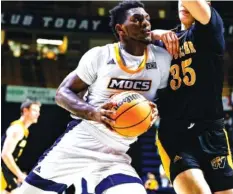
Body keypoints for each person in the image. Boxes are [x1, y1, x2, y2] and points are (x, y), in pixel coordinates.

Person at [17, 1, 176, 194]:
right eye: (137, 19)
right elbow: (62, 93)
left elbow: (167, 98)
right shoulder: (100, 55)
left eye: (147, 18)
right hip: (76, 147)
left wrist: (156, 109)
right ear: (121, 29)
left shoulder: (162, 60)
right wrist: (95, 113)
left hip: (115, 155)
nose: (145, 23)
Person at [155, 0, 233, 193]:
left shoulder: (210, 28)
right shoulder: (162, 41)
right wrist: (154, 33)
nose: (184, 3)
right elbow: (129, 37)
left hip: (212, 132)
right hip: (175, 134)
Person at [1, 99, 41, 194]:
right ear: (25, 111)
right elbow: (5, 154)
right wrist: (19, 175)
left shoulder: (23, 130)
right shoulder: (17, 129)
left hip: (5, 170)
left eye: (39, 111)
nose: (38, 114)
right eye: (35, 110)